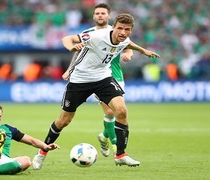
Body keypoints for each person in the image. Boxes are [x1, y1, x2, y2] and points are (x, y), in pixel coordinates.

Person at [32, 13, 160, 170]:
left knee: (121, 111)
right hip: (80, 80)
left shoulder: (124, 39)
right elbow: (67, 39)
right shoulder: (96, 36)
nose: (122, 32)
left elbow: (128, 44)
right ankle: (41, 152)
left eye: (127, 29)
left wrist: (143, 51)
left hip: (103, 79)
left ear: (131, 30)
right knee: (63, 121)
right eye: (119, 28)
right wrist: (71, 47)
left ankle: (121, 155)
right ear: (114, 27)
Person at [62, 3, 134, 158]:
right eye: (97, 13)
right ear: (94, 16)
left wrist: (129, 54)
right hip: (98, 76)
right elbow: (78, 53)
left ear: (109, 16)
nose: (100, 16)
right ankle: (117, 148)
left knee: (119, 112)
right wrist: (70, 69)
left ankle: (104, 136)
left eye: (103, 13)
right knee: (109, 111)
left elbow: (129, 46)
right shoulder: (89, 33)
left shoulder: (118, 31)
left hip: (117, 76)